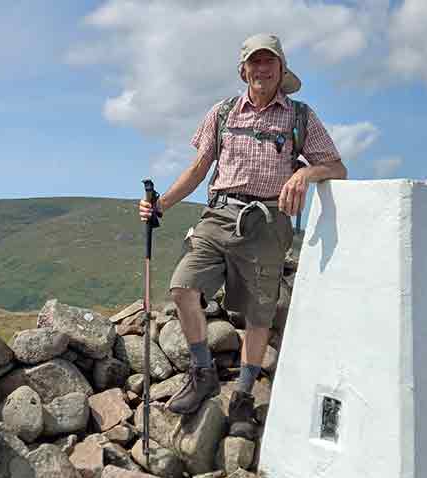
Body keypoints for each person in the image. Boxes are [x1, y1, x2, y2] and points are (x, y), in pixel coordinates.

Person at [139, 33, 347, 439]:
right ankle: (203, 374)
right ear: (243, 70)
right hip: (219, 214)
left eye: (270, 62)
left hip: (269, 221)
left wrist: (305, 171)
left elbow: (337, 167)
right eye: (255, 62)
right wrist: (160, 204)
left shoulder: (300, 117)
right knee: (183, 287)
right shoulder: (222, 113)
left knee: (259, 314)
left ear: (282, 71)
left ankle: (244, 397)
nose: (262, 69)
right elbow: (200, 169)